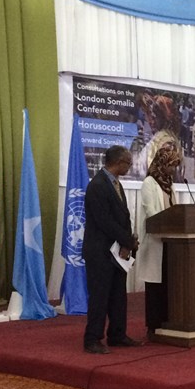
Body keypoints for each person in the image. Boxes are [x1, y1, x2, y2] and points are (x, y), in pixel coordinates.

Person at [83, 146, 142, 354]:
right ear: (118, 162)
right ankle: (92, 339)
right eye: (128, 163)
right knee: (100, 296)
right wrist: (127, 241)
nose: (130, 166)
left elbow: (122, 217)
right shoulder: (97, 185)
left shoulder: (116, 184)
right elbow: (104, 222)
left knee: (118, 296)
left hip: (117, 251)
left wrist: (128, 242)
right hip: (100, 252)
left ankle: (117, 335)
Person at [135, 146, 182, 336]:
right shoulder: (149, 183)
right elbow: (151, 212)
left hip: (171, 241)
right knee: (155, 285)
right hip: (155, 241)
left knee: (169, 284)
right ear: (162, 164)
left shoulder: (170, 184)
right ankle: (153, 325)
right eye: (171, 165)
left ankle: (168, 321)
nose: (173, 170)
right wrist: (165, 229)